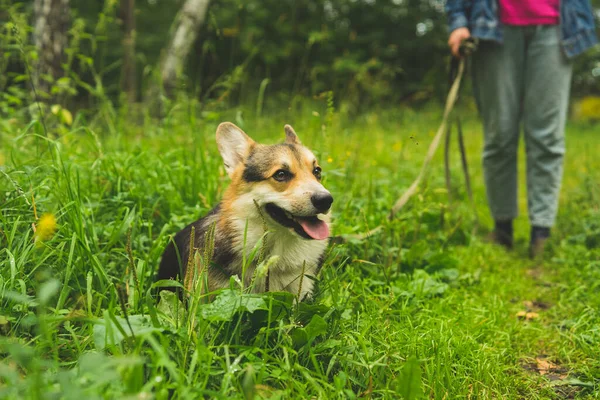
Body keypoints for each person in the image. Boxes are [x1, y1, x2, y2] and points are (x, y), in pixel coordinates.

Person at [445, 0, 598, 258]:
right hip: (493, 24)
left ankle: (541, 234)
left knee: (547, 138)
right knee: (499, 135)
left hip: (558, 25)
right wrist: (458, 21)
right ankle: (502, 229)